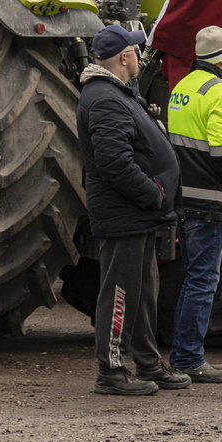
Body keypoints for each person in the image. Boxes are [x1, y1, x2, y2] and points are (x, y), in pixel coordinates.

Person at [76, 24, 191, 396]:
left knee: (142, 293)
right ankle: (111, 371)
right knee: (121, 294)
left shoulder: (117, 94)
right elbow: (114, 163)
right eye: (137, 51)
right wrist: (155, 194)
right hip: (125, 215)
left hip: (137, 215)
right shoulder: (106, 99)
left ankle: (148, 363)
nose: (141, 57)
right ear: (125, 57)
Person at [168, 25, 222, 384]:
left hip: (186, 198)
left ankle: (183, 353)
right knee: (202, 281)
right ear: (219, 58)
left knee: (192, 279)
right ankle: (188, 358)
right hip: (212, 202)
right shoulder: (220, 92)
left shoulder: (183, 87)